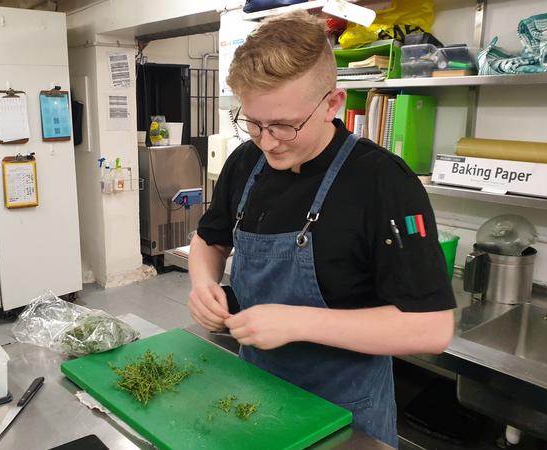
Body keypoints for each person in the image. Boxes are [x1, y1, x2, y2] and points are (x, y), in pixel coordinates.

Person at [188, 11, 455, 448]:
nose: (268, 141)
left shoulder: (383, 182)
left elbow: (431, 328)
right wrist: (203, 283)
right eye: (254, 123)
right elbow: (209, 239)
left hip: (344, 413)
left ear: (333, 103)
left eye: (285, 125)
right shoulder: (246, 161)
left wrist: (297, 322)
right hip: (254, 390)